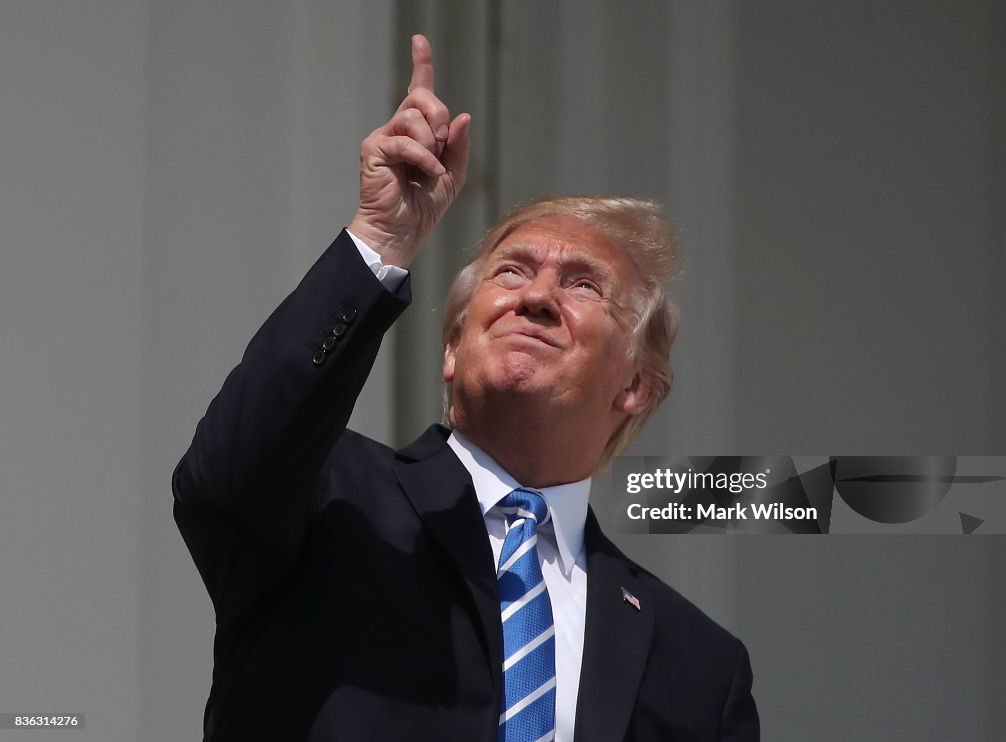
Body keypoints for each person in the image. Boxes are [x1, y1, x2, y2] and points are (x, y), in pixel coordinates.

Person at [174, 34, 758, 742]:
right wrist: (382, 238)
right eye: (511, 272)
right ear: (451, 348)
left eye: (583, 285)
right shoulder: (331, 499)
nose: (537, 296)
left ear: (637, 386)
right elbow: (221, 479)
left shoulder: (699, 664)